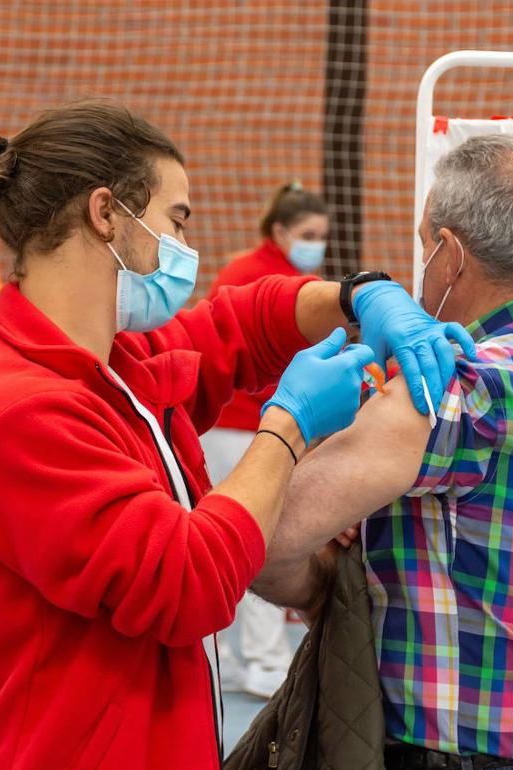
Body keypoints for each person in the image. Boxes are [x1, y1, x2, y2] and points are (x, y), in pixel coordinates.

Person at [0, 100, 472, 770]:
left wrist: (359, 295)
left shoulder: (112, 366)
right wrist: (288, 428)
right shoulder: (21, 414)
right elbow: (189, 584)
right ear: (106, 214)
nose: (184, 249)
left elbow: (240, 326)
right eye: (175, 221)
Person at [252, 135, 513, 770]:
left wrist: (295, 434)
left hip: (446, 755)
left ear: (450, 254)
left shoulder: (462, 386)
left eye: (423, 242)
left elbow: (261, 534)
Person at [202, 182, 329, 698]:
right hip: (239, 427)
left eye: (322, 235)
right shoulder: (252, 277)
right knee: (257, 537)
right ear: (279, 231)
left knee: (237, 538)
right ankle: (262, 660)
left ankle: (239, 656)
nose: (316, 243)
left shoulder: (295, 278)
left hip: (249, 427)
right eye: (308, 234)